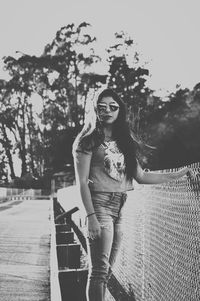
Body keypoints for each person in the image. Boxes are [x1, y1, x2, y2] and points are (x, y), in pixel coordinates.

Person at [72, 88, 190, 301]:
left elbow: (141, 176)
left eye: (113, 107)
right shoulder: (87, 140)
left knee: (106, 271)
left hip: (120, 206)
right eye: (102, 107)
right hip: (98, 206)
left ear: (120, 111)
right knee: (99, 270)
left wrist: (176, 175)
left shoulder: (124, 140)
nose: (107, 110)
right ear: (95, 109)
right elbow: (81, 182)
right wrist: (90, 218)